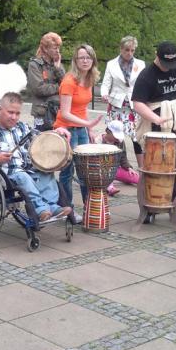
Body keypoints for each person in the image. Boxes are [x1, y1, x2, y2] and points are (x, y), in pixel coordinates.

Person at [0, 92, 72, 221]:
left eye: (17, 113)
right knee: (22, 176)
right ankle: (40, 209)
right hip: (8, 176)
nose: (14, 117)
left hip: (29, 169)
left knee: (45, 171)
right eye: (10, 112)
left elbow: (41, 138)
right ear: (0, 110)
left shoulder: (23, 127)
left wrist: (56, 132)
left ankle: (53, 207)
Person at [132, 41, 176, 224]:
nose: (169, 67)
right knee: (153, 168)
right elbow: (137, 102)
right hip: (155, 127)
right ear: (157, 56)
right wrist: (155, 119)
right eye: (165, 63)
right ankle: (150, 208)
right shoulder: (147, 75)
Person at [54, 44, 103, 223]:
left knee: (85, 171)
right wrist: (87, 123)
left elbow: (81, 108)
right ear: (75, 60)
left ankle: (89, 207)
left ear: (93, 60)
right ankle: (69, 211)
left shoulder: (89, 79)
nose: (85, 60)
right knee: (67, 171)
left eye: (88, 57)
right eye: (81, 57)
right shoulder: (69, 81)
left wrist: (88, 129)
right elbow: (66, 113)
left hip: (80, 129)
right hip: (66, 129)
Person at [101, 36, 146, 168]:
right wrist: (104, 94)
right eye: (127, 50)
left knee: (137, 138)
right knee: (113, 137)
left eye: (132, 50)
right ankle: (110, 168)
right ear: (121, 49)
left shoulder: (141, 64)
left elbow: (143, 84)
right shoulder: (111, 64)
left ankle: (142, 169)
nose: (129, 53)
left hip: (133, 105)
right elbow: (105, 84)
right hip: (116, 105)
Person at [28, 32, 65, 131]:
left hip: (58, 111)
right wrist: (58, 87)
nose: (57, 51)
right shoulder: (35, 65)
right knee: (43, 143)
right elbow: (39, 89)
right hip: (42, 113)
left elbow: (67, 86)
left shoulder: (57, 64)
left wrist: (58, 69)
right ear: (45, 49)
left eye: (58, 48)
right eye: (54, 48)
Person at [95, 120, 140, 196]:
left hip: (115, 169)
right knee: (106, 178)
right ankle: (110, 188)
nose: (117, 138)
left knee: (135, 176)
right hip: (102, 170)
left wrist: (128, 167)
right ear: (108, 132)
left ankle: (146, 183)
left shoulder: (120, 141)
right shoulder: (98, 141)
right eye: (115, 135)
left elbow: (123, 156)